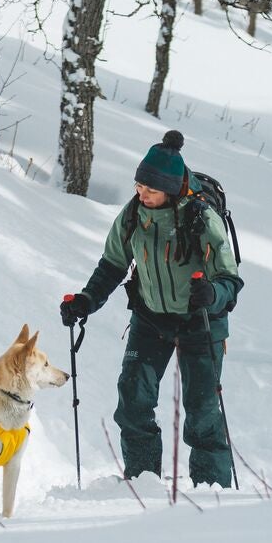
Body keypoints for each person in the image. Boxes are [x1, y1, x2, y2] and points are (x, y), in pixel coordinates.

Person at [60, 130, 243, 486]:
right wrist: (85, 302)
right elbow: (112, 265)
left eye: (151, 189)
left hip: (201, 322)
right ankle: (142, 483)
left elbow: (230, 280)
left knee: (202, 411)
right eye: (139, 185)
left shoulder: (203, 219)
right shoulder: (132, 217)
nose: (141, 193)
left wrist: (212, 294)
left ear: (171, 190)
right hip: (150, 318)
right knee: (133, 400)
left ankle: (212, 491)